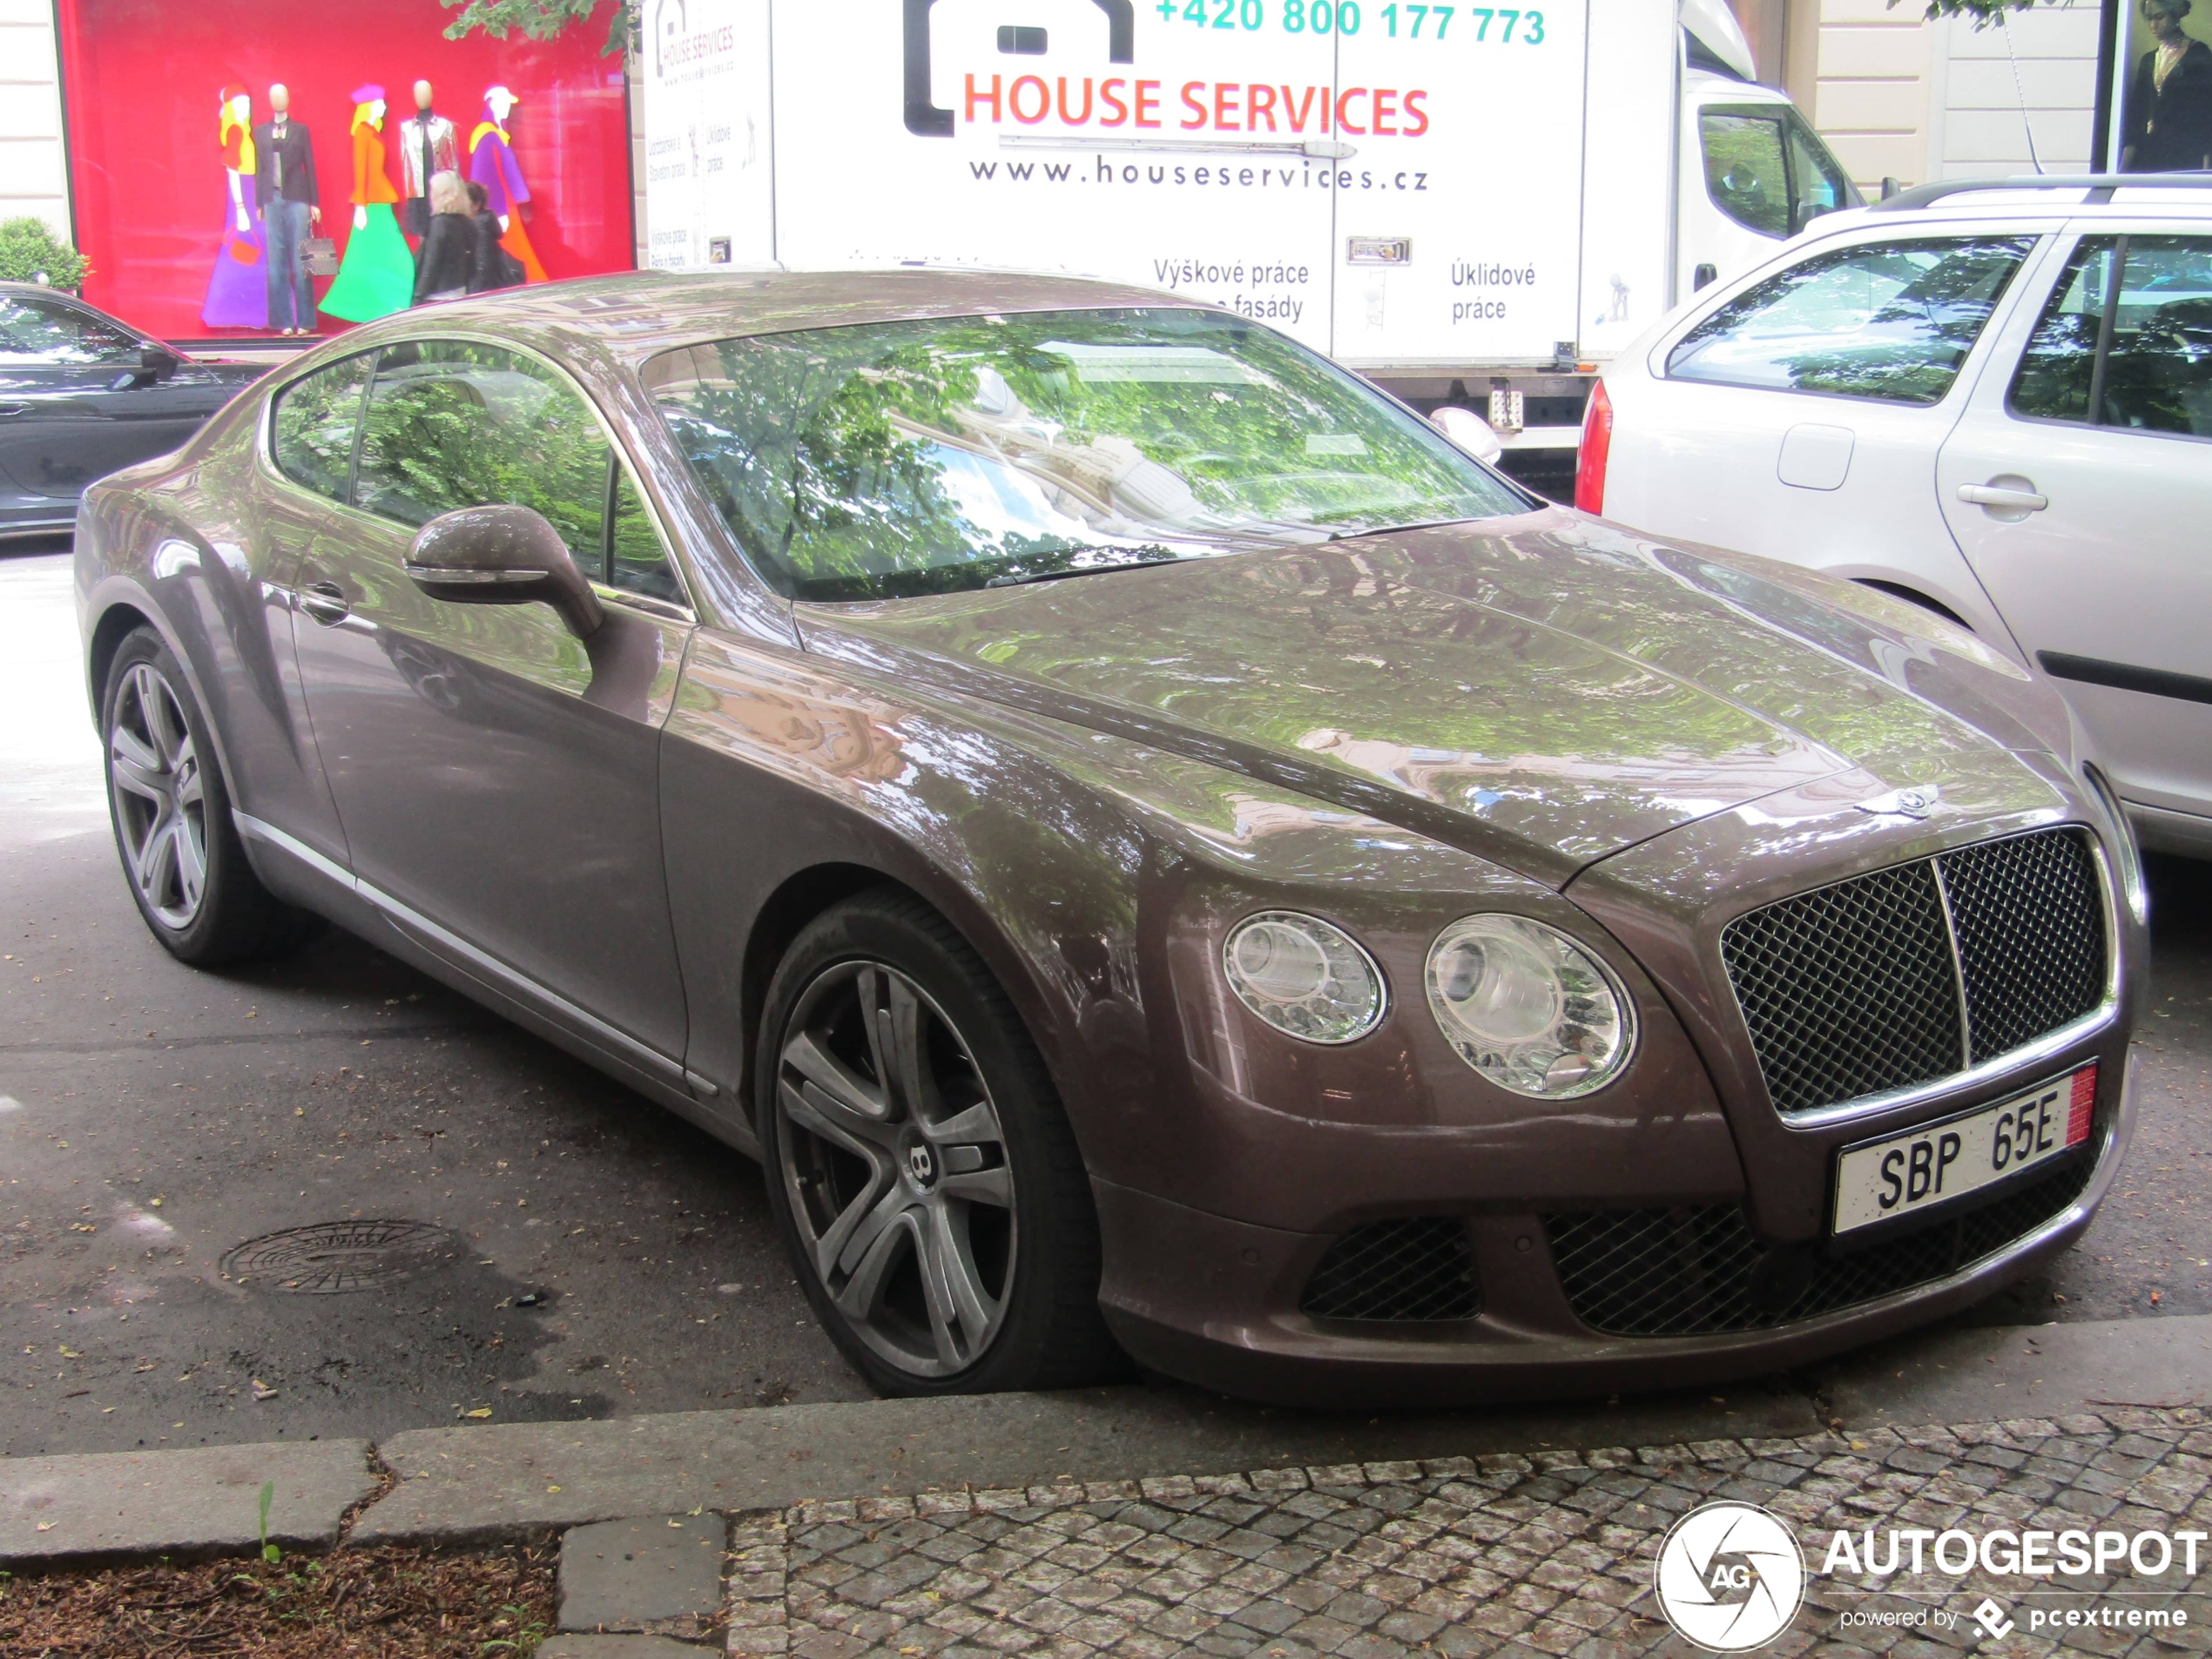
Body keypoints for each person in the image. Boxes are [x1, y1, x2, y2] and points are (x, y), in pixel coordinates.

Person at [320, 85, 415, 323]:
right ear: (370, 107)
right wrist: (360, 207)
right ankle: (378, 307)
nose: (384, 106)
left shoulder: (372, 132)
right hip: (373, 205)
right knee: (384, 257)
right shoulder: (363, 133)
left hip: (379, 202)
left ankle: (383, 307)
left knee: (374, 258)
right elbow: (359, 170)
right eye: (380, 103)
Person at [253, 83, 320, 336]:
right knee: (276, 262)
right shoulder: (261, 132)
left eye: (282, 95)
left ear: (288, 99)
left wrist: (315, 202)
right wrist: (260, 201)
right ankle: (282, 321)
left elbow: (310, 166)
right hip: (273, 199)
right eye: (274, 96)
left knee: (302, 258)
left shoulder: (300, 131)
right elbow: (261, 169)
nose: (278, 100)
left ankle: (305, 320)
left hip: (297, 199)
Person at [199, 84, 266, 330]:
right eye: (240, 103)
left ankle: (251, 311)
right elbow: (233, 173)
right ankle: (235, 311)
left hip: (249, 194)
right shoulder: (236, 131)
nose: (245, 107)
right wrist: (241, 210)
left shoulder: (244, 131)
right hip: (242, 198)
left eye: (247, 102)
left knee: (252, 253)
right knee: (243, 249)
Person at [469, 85, 549, 283]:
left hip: (506, 207)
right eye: (505, 104)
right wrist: (499, 211)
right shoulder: (487, 136)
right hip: (502, 209)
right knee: (515, 253)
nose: (508, 109)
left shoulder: (495, 134)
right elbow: (485, 177)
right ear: (494, 105)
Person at [2123, 0, 2212, 172]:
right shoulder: (2148, 60)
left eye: (2159, 17)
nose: (2153, 25)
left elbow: (2206, 116)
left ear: (2175, 13)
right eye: (2149, 19)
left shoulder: (2199, 54)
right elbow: (2136, 116)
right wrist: (2121, 170)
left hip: (2184, 155)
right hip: (2149, 154)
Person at [396, 80, 457, 238]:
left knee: (444, 235)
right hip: (419, 193)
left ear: (432, 95)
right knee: (423, 236)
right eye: (418, 93)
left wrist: (455, 191)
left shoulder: (445, 126)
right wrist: (409, 193)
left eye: (425, 92)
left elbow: (453, 161)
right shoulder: (406, 129)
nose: (421, 96)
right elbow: (406, 164)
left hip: (442, 192)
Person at [412, 170, 474, 305]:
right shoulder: (466, 222)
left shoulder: (439, 224)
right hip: (460, 292)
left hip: (437, 297)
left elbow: (431, 264)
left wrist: (416, 299)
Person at [463, 179, 516, 293]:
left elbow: (482, 267)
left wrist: (472, 296)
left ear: (476, 205)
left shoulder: (480, 228)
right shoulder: (483, 225)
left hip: (484, 291)